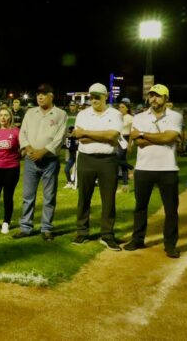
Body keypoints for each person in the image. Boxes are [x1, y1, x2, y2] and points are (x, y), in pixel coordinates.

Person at [123, 84, 182, 259]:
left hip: (168, 169)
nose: (154, 98)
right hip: (143, 168)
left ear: (166, 98)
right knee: (140, 207)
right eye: (152, 95)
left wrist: (145, 134)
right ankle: (137, 239)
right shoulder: (140, 116)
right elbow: (139, 142)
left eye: (158, 96)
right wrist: (163, 138)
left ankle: (170, 244)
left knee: (171, 210)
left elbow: (169, 137)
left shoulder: (175, 116)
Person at [71, 83, 123, 251]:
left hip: (108, 160)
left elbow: (112, 135)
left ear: (105, 96)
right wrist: (103, 135)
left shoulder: (115, 114)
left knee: (108, 199)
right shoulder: (83, 113)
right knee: (84, 197)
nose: (93, 99)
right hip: (86, 158)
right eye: (91, 96)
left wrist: (87, 132)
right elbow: (81, 138)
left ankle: (107, 234)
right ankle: (82, 232)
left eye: (97, 96)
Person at [12, 83, 67, 241]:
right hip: (30, 159)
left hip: (49, 160)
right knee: (28, 195)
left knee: (49, 196)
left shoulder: (60, 114)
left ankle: (46, 228)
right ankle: (25, 227)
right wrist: (29, 149)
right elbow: (22, 133)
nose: (40, 97)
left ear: (51, 96)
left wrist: (42, 152)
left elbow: (60, 137)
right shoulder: (30, 112)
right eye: (38, 94)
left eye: (43, 94)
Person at [117, 99, 134, 193]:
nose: (120, 108)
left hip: (126, 139)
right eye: (119, 107)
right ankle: (125, 185)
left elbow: (132, 132)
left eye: (123, 107)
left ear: (127, 109)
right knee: (122, 161)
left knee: (117, 159)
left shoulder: (130, 118)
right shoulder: (117, 117)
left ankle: (131, 167)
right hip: (118, 139)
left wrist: (130, 145)